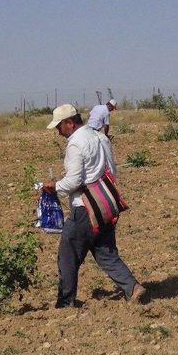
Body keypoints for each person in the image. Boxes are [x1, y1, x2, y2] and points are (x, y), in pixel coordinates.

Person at [42, 104, 145, 308]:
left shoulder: (75, 144)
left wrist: (55, 186)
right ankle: (132, 287)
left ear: (69, 123)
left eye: (59, 126)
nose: (57, 131)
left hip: (85, 208)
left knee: (68, 255)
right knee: (105, 251)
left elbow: (73, 181)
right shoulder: (101, 137)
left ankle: (65, 302)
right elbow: (111, 171)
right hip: (107, 204)